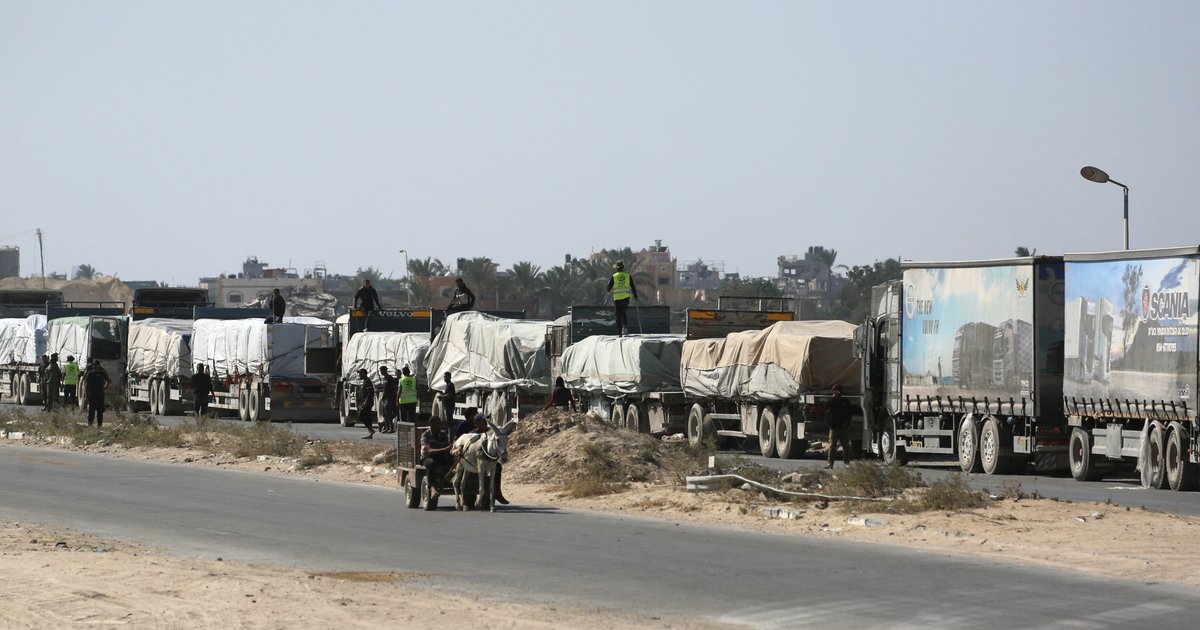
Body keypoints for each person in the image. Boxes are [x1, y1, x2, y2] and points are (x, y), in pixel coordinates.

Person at [472, 412, 509, 505]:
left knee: (498, 467)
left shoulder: (491, 433)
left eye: (485, 422)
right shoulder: (473, 434)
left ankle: (497, 492)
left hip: (490, 461)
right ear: (477, 424)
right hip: (475, 462)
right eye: (482, 422)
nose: (485, 423)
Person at [420, 415, 453, 497]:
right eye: (438, 423)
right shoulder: (425, 435)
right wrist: (445, 449)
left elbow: (447, 446)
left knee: (453, 460)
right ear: (431, 424)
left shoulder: (443, 434)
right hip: (427, 457)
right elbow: (430, 451)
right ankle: (433, 488)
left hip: (440, 456)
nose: (440, 425)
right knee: (431, 463)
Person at [606, 261, 639, 336]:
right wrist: (635, 296)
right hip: (626, 298)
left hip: (617, 299)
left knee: (618, 315)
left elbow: (608, 288)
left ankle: (619, 333)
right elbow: (632, 286)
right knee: (623, 313)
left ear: (616, 268)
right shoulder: (627, 275)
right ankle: (625, 329)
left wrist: (608, 286)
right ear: (623, 267)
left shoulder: (614, 276)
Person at [825, 384, 854, 469]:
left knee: (845, 446)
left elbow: (850, 413)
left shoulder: (845, 401)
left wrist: (847, 421)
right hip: (834, 427)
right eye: (835, 391)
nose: (837, 393)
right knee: (832, 446)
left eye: (838, 391)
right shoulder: (832, 401)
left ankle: (847, 463)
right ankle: (830, 463)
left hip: (843, 428)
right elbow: (826, 407)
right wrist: (832, 398)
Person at [84, 358, 110, 428]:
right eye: (93, 365)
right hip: (92, 394)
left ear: (98, 365)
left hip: (100, 395)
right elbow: (86, 385)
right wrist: (86, 396)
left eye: (96, 365)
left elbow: (108, 381)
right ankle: (90, 424)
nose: (94, 366)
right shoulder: (90, 373)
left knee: (100, 411)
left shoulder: (102, 373)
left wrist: (105, 387)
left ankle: (99, 425)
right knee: (91, 411)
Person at [356, 368, 376, 439]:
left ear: (364, 374)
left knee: (363, 416)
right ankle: (370, 431)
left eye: (360, 373)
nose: (359, 375)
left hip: (367, 403)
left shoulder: (368, 381)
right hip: (364, 402)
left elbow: (369, 393)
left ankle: (371, 430)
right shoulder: (365, 381)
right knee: (364, 416)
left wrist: (365, 402)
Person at [378, 366, 398, 433]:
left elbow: (394, 388)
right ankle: (386, 427)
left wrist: (393, 397)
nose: (381, 372)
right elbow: (385, 388)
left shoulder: (390, 378)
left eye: (381, 371)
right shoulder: (384, 379)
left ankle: (391, 428)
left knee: (388, 413)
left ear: (384, 371)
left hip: (389, 398)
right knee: (385, 413)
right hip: (385, 398)